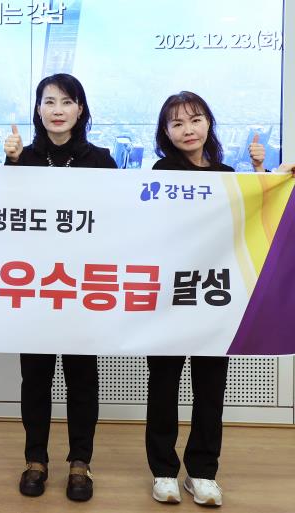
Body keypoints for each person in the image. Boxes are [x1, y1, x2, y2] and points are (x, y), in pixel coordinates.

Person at [147, 90, 265, 507]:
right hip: (171, 297)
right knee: (164, 385)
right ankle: (164, 471)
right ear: (166, 133)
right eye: (177, 123)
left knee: (210, 388)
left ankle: (202, 472)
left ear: (208, 123)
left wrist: (260, 172)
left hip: (215, 296)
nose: (188, 129)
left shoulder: (227, 174)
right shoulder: (162, 172)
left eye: (195, 119)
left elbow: (252, 219)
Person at [3, 73, 116, 502]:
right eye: (48, 101)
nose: (57, 110)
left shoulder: (101, 160)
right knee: (35, 378)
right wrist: (11, 165)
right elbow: (2, 216)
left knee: (82, 379)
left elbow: (118, 220)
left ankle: (80, 463)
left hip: (83, 289)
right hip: (34, 287)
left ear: (80, 109)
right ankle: (35, 460)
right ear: (38, 109)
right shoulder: (25, 158)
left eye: (66, 101)